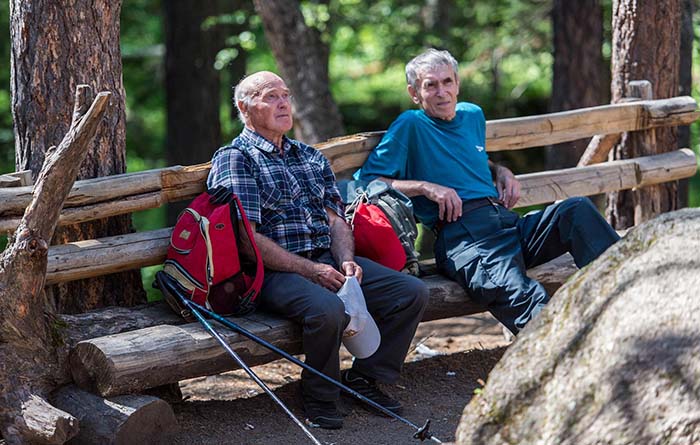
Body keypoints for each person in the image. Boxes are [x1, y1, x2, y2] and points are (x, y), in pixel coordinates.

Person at [207, 71, 429, 430]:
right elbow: (247, 239)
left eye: (285, 95)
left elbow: (336, 220)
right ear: (245, 109)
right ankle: (320, 396)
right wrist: (310, 271)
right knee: (327, 309)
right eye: (270, 96)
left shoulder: (309, 156)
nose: (282, 102)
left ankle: (366, 380)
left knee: (410, 292)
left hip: (326, 259)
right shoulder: (237, 158)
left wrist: (345, 260)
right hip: (271, 272)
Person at [356, 49, 619, 336]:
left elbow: (470, 156)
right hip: (465, 239)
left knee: (575, 211)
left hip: (508, 225)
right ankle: (567, 358)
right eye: (430, 85)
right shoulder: (411, 125)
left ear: (457, 84)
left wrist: (500, 171)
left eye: (447, 82)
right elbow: (368, 181)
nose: (441, 92)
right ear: (414, 93)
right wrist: (424, 187)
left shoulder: (472, 115)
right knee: (529, 300)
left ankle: (627, 292)